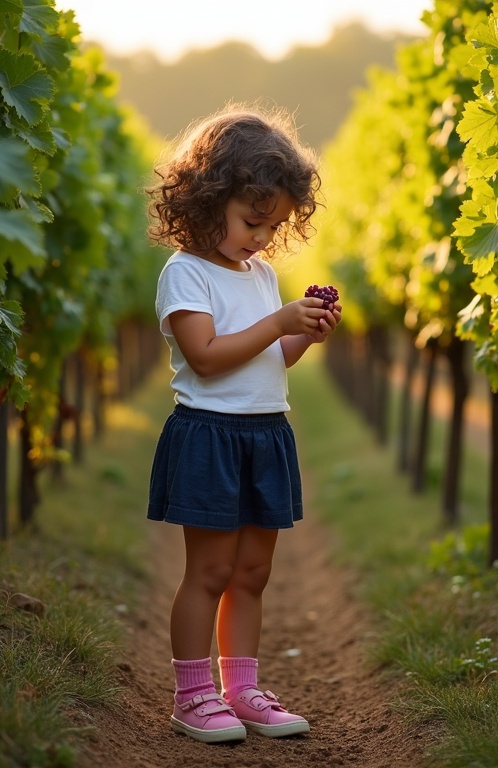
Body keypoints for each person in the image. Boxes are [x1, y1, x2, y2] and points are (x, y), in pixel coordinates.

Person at [145, 103, 342, 744]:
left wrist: (303, 334)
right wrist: (277, 322)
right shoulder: (185, 273)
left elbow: (267, 358)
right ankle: (194, 695)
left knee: (252, 573)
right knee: (208, 573)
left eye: (273, 226)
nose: (261, 238)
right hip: (209, 436)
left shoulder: (261, 276)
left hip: (265, 435)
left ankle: (243, 688)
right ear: (209, 198)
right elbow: (204, 360)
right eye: (252, 220)